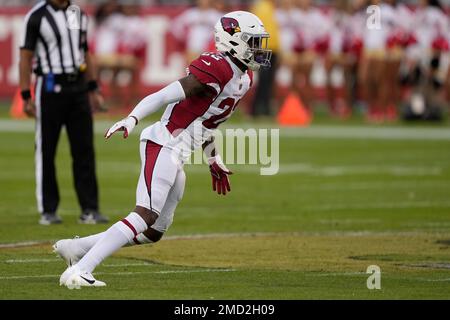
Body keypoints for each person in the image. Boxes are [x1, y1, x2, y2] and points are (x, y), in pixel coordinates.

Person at [53, 10, 272, 288]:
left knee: (153, 231)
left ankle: (75, 249)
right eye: (252, 42)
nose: (257, 49)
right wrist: (132, 117)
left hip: (178, 154)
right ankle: (81, 269)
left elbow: (206, 122)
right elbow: (164, 94)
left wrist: (213, 158)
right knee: (143, 214)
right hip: (164, 142)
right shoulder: (217, 66)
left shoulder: (244, 79)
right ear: (232, 40)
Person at [18, 0, 109, 225]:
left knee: (84, 150)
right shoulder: (37, 16)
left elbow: (83, 50)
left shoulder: (75, 13)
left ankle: (90, 209)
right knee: (46, 150)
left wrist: (93, 88)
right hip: (49, 87)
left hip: (77, 87)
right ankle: (48, 210)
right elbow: (26, 56)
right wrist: (25, 95)